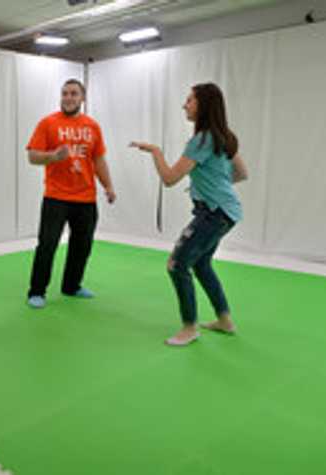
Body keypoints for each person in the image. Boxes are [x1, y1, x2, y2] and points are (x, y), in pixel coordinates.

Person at [130, 83, 248, 346]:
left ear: (203, 105)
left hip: (214, 214)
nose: (185, 105)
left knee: (177, 264)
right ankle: (224, 320)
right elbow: (241, 173)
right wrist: (216, 183)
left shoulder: (202, 139)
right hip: (227, 212)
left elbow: (170, 178)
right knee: (201, 264)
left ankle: (189, 327)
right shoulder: (224, 136)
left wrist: (156, 152)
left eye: (189, 100)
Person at [25, 79, 116, 309]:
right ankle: (37, 291)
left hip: (86, 198)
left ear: (82, 98)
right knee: (47, 245)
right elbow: (32, 156)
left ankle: (72, 286)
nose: (68, 97)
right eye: (64, 93)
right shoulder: (48, 123)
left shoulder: (93, 126)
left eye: (74, 93)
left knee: (82, 246)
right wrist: (52, 157)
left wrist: (108, 186)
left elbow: (98, 160)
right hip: (56, 197)